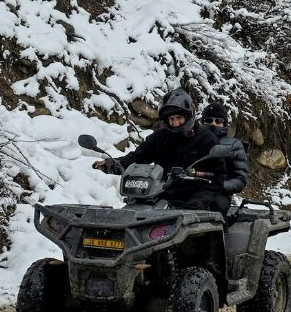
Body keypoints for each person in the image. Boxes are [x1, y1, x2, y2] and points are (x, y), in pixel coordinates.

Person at [95, 88, 227, 217]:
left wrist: (198, 202)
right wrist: (112, 164)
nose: (175, 123)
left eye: (179, 118)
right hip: (161, 197)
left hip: (194, 201)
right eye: (171, 119)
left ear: (188, 115)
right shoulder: (160, 138)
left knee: (214, 215)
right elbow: (137, 157)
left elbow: (217, 178)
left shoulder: (206, 140)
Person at [198, 101, 249, 198]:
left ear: (224, 123)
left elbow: (240, 178)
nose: (213, 124)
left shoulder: (234, 145)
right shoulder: (193, 141)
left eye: (218, 121)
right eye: (209, 120)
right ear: (203, 122)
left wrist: (220, 186)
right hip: (190, 190)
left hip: (218, 194)